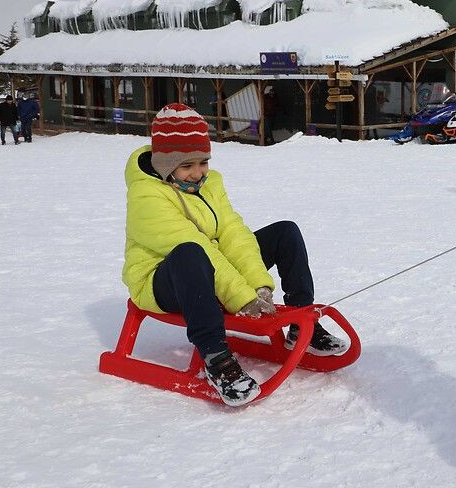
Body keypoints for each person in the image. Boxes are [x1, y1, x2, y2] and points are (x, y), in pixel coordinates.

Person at [122, 103, 350, 406]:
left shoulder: (210, 183)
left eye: (203, 162)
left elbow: (233, 234)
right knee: (191, 253)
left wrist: (258, 285)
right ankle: (216, 357)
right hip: (163, 278)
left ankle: (301, 328)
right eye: (187, 165)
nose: (198, 173)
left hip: (211, 267)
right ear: (165, 164)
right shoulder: (146, 197)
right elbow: (198, 247)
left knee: (285, 232)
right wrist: (242, 298)